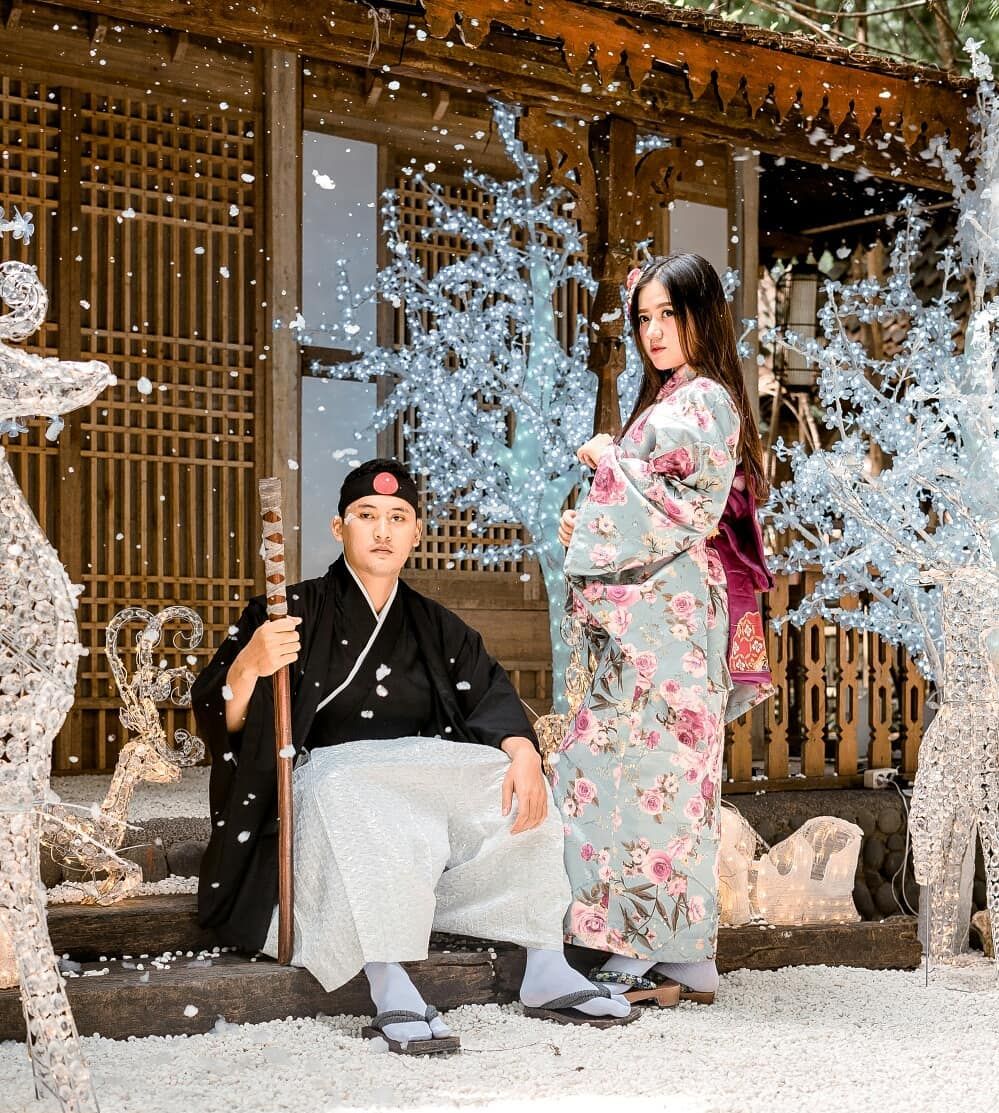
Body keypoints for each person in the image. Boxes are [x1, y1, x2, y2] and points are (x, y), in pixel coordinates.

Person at [193, 458, 637, 1054]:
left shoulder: (436, 625)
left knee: (508, 777)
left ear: (416, 533)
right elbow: (224, 721)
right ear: (338, 528)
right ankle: (387, 975)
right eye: (366, 516)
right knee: (353, 790)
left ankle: (544, 961)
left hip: (410, 778)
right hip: (324, 785)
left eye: (397, 518)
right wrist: (250, 663)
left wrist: (524, 755)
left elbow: (490, 695)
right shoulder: (285, 612)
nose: (382, 531)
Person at [554, 254, 774, 1007]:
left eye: (667, 315)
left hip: (671, 620)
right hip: (655, 614)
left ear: (700, 316)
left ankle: (662, 953)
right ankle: (669, 954)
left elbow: (688, 505)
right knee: (628, 772)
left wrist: (609, 459)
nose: (652, 331)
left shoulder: (704, 400)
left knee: (657, 782)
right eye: (643, 317)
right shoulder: (678, 400)